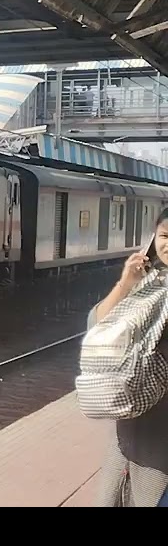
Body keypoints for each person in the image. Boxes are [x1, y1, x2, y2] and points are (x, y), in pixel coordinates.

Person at [88, 211, 168, 507]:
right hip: (131, 440)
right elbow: (97, 328)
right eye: (164, 236)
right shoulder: (147, 285)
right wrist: (126, 282)